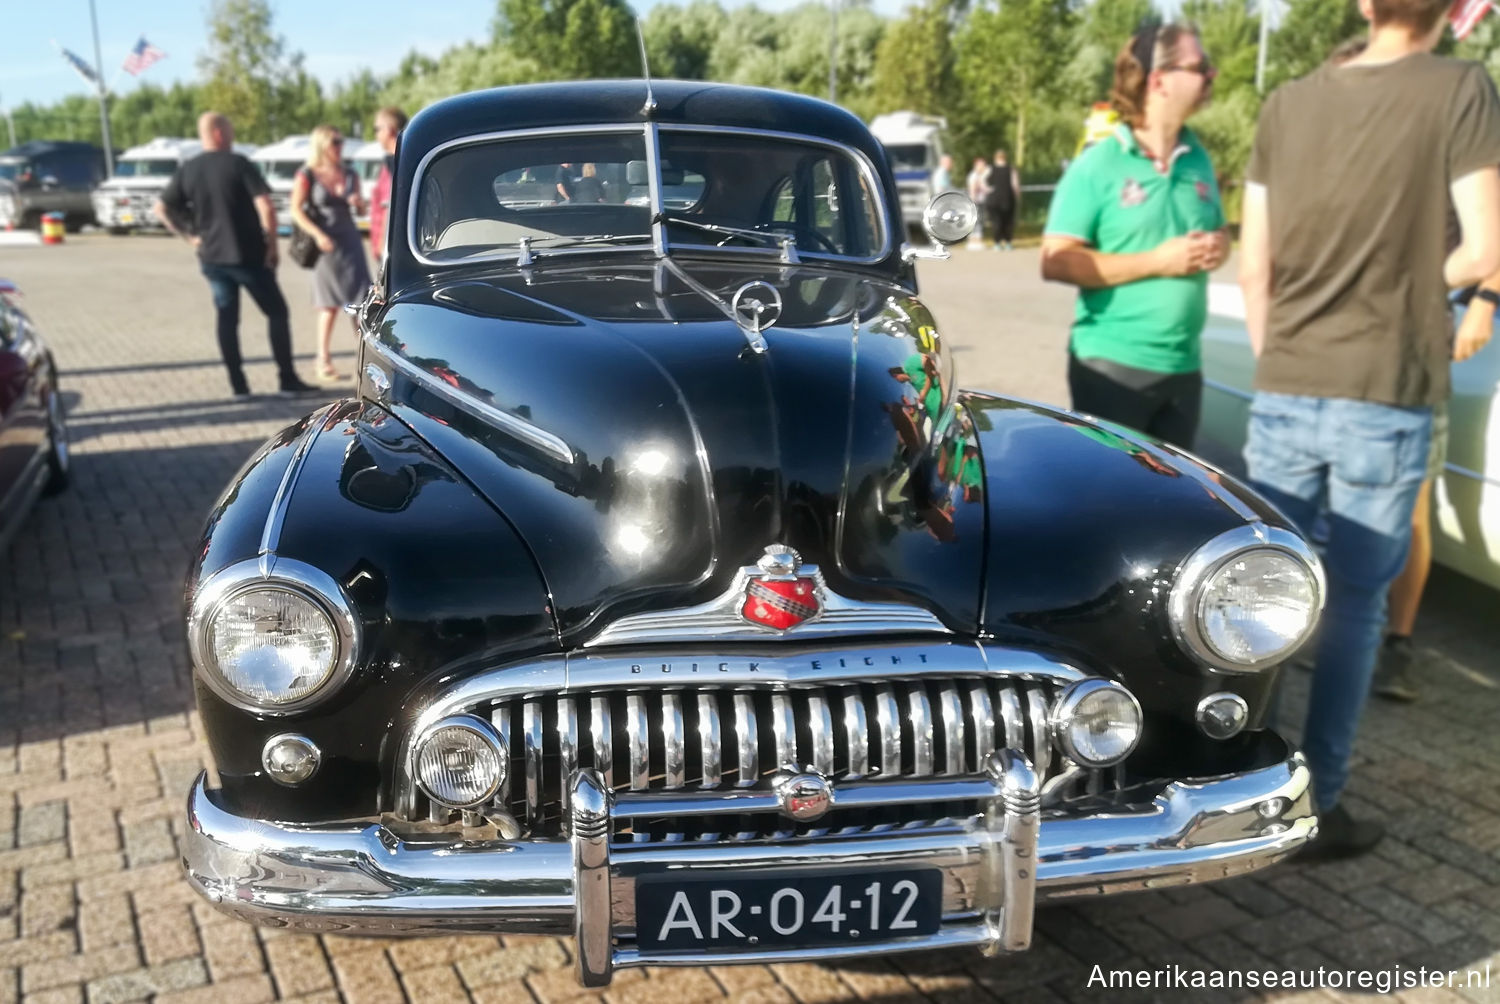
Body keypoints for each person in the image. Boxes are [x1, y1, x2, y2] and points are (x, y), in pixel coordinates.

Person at [1238, 0, 1500, 856]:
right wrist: (1398, 287)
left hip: (1286, 376)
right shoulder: (1461, 89)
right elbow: (1483, 246)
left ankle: (1231, 775)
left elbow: (1257, 261)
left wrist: (1275, 352)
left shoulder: (1287, 101)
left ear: (1362, 5)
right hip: (1385, 386)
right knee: (1353, 608)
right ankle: (1320, 804)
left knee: (1254, 596)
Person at [1040, 22, 1227, 451]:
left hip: (1185, 368)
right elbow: (1055, 259)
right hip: (1113, 369)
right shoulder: (1099, 163)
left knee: (1172, 507)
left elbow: (1219, 233)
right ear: (1158, 79)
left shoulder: (1198, 159)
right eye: (1200, 67)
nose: (1211, 76)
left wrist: (1218, 247)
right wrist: (1160, 261)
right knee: (1111, 508)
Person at [154, 112, 317, 397]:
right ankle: (287, 379)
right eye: (229, 128)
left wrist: (190, 236)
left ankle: (238, 385)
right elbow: (265, 205)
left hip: (212, 257)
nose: (232, 133)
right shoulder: (239, 164)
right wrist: (272, 246)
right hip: (248, 256)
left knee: (227, 318)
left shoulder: (189, 169)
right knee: (277, 312)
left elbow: (162, 208)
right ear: (218, 132)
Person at [290, 124, 372, 383]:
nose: (340, 147)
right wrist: (317, 234)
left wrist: (359, 204)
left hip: (349, 241)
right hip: (323, 245)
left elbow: (360, 211)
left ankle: (364, 359)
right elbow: (296, 210)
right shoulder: (307, 175)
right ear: (322, 145)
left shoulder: (350, 173)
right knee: (328, 304)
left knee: (358, 301)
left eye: (341, 141)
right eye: (335, 142)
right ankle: (322, 360)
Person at [368, 105, 407, 269]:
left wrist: (383, 246)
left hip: (391, 245)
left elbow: (388, 208)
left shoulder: (394, 163)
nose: (376, 134)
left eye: (377, 129)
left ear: (389, 130)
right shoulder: (406, 158)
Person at [983, 150, 1021, 250]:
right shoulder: (1011, 169)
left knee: (996, 221)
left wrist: (988, 189)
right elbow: (1015, 184)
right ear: (1005, 158)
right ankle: (1008, 243)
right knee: (1008, 221)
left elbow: (982, 180)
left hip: (994, 198)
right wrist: (1017, 195)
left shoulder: (990, 169)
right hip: (1008, 198)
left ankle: (997, 243)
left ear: (995, 158)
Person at [965, 157, 990, 249]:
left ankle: (976, 242)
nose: (984, 167)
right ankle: (974, 242)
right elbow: (973, 189)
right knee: (977, 221)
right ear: (977, 166)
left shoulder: (979, 175)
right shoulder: (974, 175)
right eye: (982, 165)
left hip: (980, 201)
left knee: (980, 221)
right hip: (976, 202)